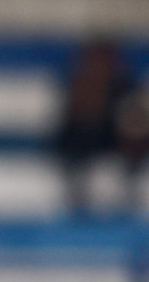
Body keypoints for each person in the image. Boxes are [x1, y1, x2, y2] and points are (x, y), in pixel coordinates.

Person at [52, 39, 149, 215]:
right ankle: (79, 201)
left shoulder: (126, 88)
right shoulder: (77, 86)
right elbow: (66, 133)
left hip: (117, 141)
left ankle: (129, 196)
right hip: (83, 142)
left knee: (135, 133)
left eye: (105, 61)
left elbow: (137, 124)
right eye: (95, 61)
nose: (100, 67)